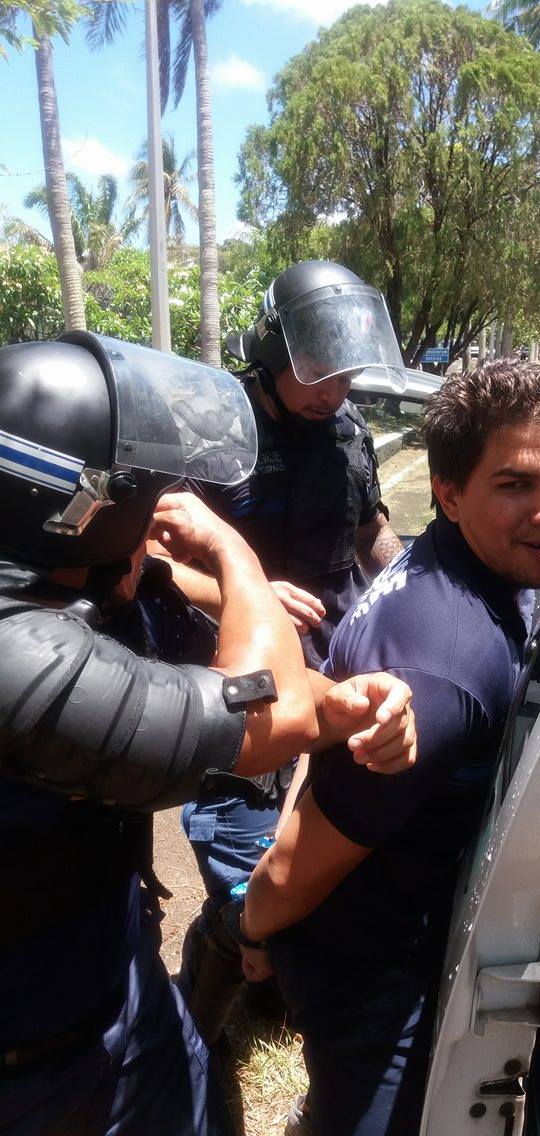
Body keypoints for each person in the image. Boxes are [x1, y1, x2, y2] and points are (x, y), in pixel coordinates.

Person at [0, 331, 416, 1136]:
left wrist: (351, 706)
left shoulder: (70, 577)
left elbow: (215, 657)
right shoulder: (19, 662)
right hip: (34, 1072)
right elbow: (262, 715)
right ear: (77, 517)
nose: (156, 531)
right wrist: (235, 555)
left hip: (118, 991)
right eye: (141, 511)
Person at [234, 359, 540, 1136]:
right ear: (449, 492)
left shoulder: (437, 563)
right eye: (513, 486)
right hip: (369, 968)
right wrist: (252, 929)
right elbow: (296, 865)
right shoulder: (449, 670)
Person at [158, 260, 406, 1033]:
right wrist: (246, 590)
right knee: (243, 855)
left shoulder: (347, 428)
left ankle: (277, 970)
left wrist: (411, 585)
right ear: (270, 346)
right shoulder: (209, 425)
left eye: (341, 371)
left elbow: (370, 533)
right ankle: (211, 1002)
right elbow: (156, 557)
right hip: (235, 667)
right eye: (313, 370)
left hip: (332, 659)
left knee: (328, 831)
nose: (329, 389)